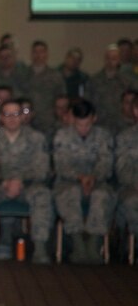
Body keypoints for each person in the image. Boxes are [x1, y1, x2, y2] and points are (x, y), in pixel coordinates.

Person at [52, 99, 115, 265]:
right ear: (72, 119)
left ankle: (94, 245)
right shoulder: (62, 136)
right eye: (79, 124)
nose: (82, 129)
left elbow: (106, 164)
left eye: (87, 124)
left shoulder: (103, 136)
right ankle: (78, 245)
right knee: (70, 194)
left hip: (98, 182)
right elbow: (61, 165)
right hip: (68, 182)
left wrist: (93, 178)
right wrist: (80, 178)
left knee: (101, 196)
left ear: (94, 118)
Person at [0, 99, 55, 263]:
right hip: (0, 186)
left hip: (28, 186)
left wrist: (20, 180)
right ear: (1, 117)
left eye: (16, 114)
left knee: (43, 195)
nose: (12, 118)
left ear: (23, 117)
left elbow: (42, 169)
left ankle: (40, 248)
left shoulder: (36, 138)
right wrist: (5, 181)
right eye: (7, 114)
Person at [85, 44, 137, 131]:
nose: (110, 61)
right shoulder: (94, 81)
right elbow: (87, 103)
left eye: (114, 58)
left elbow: (134, 103)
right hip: (100, 126)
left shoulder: (127, 82)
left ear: (119, 60)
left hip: (123, 127)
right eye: (108, 58)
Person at [24, 40, 66, 135]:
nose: (38, 55)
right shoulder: (23, 74)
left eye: (41, 52)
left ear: (46, 54)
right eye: (35, 52)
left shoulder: (55, 76)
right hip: (27, 121)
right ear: (31, 54)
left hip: (48, 122)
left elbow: (61, 100)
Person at [114, 98, 138, 247]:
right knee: (132, 202)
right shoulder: (125, 138)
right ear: (136, 111)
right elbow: (122, 171)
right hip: (132, 188)